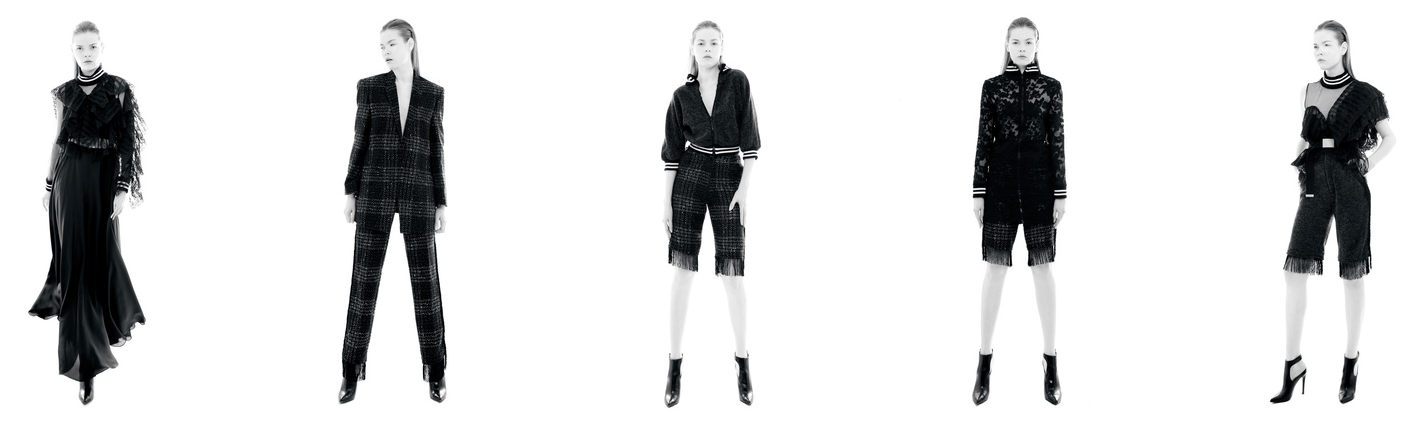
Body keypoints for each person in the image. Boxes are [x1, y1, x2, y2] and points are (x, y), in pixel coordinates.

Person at [1271, 20, 1396, 405]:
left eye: (1326, 44)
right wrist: (1296, 165)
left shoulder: (1365, 94)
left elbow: (1390, 137)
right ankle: (1292, 363)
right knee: (1294, 269)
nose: (1319, 51)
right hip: (1314, 182)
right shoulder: (1308, 90)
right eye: (1315, 46)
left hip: (1349, 182)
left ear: (1343, 47)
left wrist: (1368, 164)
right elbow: (1304, 137)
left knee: (1352, 272)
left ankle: (1350, 363)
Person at [30, 20, 147, 405]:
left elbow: (128, 143)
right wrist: (49, 185)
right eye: (80, 48)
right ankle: (84, 365)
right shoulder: (64, 93)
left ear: (102, 47)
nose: (86, 54)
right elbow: (58, 140)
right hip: (68, 183)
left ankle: (104, 333)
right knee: (75, 267)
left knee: (103, 260)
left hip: (103, 183)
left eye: (92, 46)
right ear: (72, 50)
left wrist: (122, 188)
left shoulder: (119, 88)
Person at [339, 18, 450, 404]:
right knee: (363, 286)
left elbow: (436, 151)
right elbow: (360, 142)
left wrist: (441, 202)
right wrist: (350, 191)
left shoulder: (432, 94)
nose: (385, 51)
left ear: (410, 43)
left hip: (419, 196)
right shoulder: (369, 88)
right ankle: (350, 369)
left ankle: (436, 369)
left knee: (426, 288)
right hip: (374, 194)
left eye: (391, 44)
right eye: (381, 46)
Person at [660, 20, 760, 407]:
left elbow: (751, 142)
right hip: (691, 173)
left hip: (729, 175)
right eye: (700, 42)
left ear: (722, 47)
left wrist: (744, 189)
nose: (707, 48)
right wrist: (666, 202)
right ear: (692, 47)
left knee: (733, 273)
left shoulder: (738, 83)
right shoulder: (681, 96)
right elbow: (672, 154)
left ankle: (743, 361)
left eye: (713, 42)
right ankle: (674, 365)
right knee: (682, 271)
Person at [969, 17, 1066, 406]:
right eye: (1016, 42)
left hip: (1041, 188)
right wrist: (978, 191)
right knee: (995, 269)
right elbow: (983, 139)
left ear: (1037, 44)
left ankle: (1051, 359)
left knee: (1043, 268)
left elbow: (1058, 140)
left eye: (1028, 41)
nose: (1022, 48)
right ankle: (984, 360)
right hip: (1000, 187)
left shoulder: (1051, 88)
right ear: (1007, 46)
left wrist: (1061, 193)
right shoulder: (992, 88)